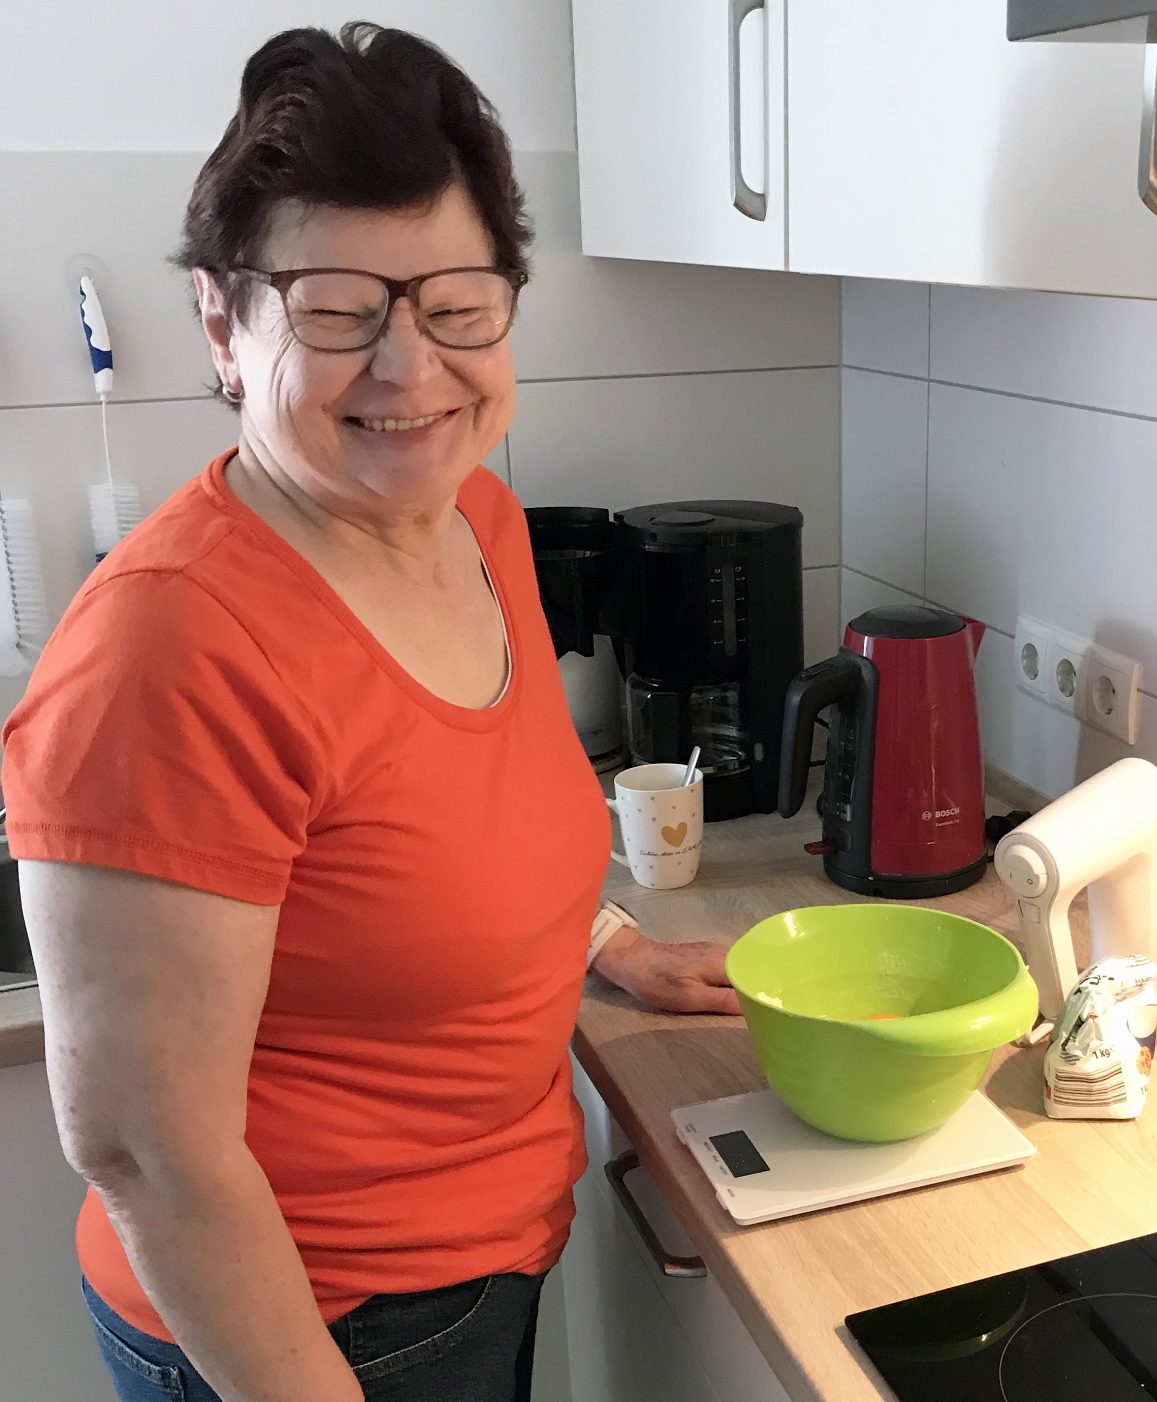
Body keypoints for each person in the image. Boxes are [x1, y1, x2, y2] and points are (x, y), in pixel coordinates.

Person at [1, 23, 737, 1402]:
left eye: (458, 305)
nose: (411, 367)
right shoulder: (168, 650)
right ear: (223, 322)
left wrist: (608, 939)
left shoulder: (477, 520)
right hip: (311, 1330)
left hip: (477, 1262)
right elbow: (146, 1152)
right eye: (338, 312)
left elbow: (452, 821)